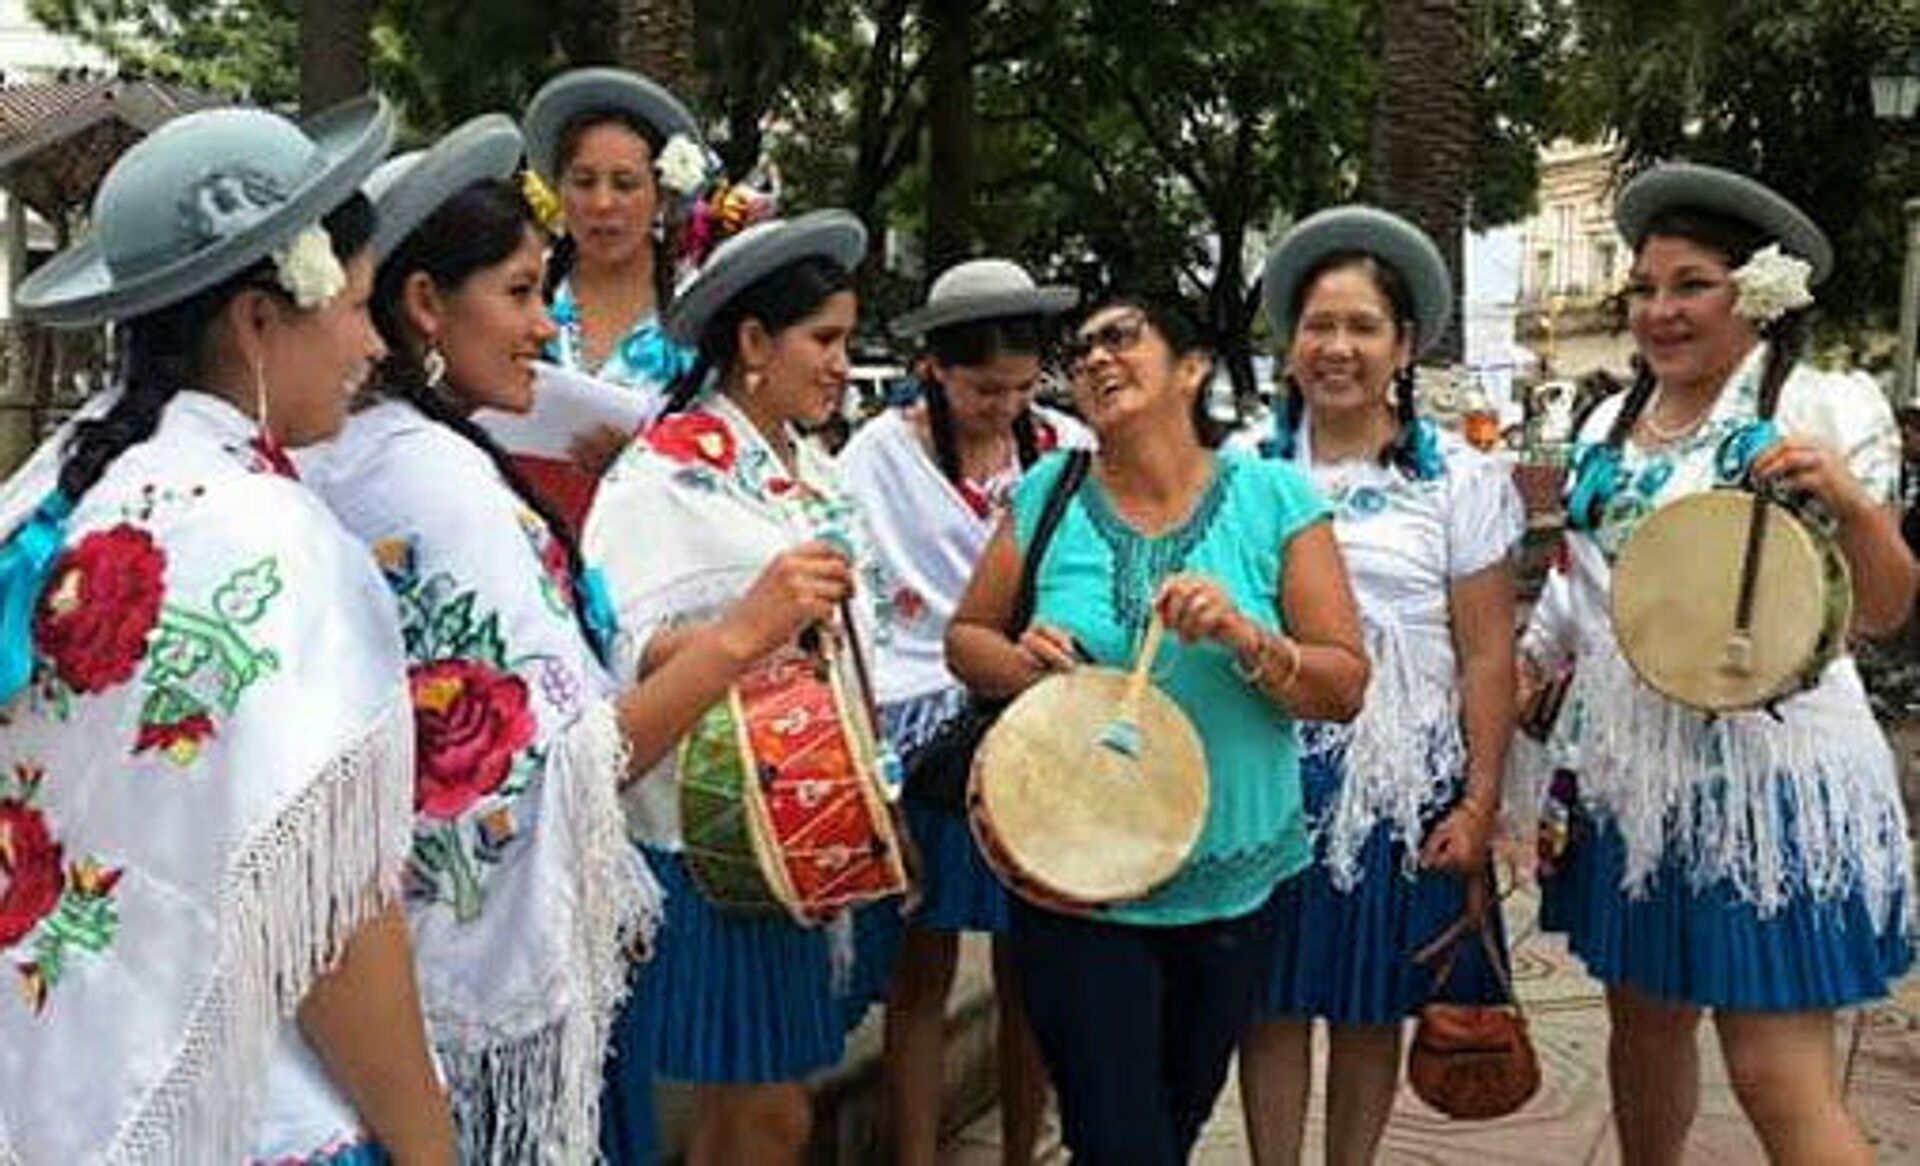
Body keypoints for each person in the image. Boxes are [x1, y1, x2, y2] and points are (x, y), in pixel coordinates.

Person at [0, 99, 456, 1162]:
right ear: (259, 319)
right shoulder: (271, 539)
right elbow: (332, 916)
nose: (372, 342)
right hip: (242, 1117)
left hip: (46, 1086)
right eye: (352, 306)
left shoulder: (50, 490)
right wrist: (429, 1141)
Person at [1521, 163, 1917, 1166]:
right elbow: (1584, 593)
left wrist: (1854, 501)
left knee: (1774, 1069)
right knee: (1643, 1036)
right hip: (1633, 778)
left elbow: (1883, 606)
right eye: (1644, 288)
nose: (1659, 310)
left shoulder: (1823, 408)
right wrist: (1524, 672)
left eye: (1690, 284)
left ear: (1757, 293)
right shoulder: (1606, 426)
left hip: (1772, 789)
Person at [947, 297, 1370, 1164]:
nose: (1096, 358)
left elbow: (1343, 686)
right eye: (1085, 347)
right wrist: (1024, 662)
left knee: (1170, 1123)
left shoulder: (1274, 497)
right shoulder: (1048, 491)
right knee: (1120, 1137)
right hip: (1074, 877)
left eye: (1123, 337)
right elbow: (966, 642)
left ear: (1193, 366)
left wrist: (1248, 638)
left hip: (1235, 877)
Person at [584, 210, 899, 1165]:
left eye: (847, 338)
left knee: (764, 1102)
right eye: (826, 340)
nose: (843, 363)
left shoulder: (814, 468)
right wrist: (752, 631)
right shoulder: (663, 476)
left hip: (808, 823)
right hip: (720, 836)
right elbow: (619, 647)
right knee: (762, 1108)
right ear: (754, 342)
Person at [1232, 207, 1522, 1165]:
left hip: (1401, 783)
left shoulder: (1461, 481)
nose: (1338, 348)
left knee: (1370, 1004)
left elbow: (1487, 654)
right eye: (1320, 325)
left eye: (1363, 327)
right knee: (1268, 1004)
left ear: (1403, 345)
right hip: (1265, 768)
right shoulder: (1241, 470)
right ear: (1289, 341)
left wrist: (1480, 804)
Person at [839, 258, 1087, 1166]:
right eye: (985, 388)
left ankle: (1025, 1151)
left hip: (1033, 725)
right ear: (934, 369)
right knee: (921, 971)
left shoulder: (1062, 449)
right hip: (919, 733)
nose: (1004, 407)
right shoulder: (875, 458)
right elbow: (853, 596)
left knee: (1033, 972)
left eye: (1022, 388)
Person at [517, 66, 713, 533]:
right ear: (559, 191)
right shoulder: (516, 299)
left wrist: (641, 464)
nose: (602, 204)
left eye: (625, 184)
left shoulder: (701, 314)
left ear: (662, 195)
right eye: (584, 182)